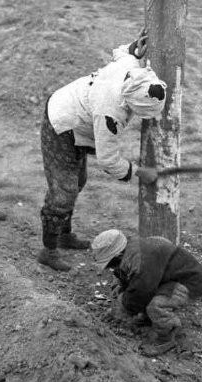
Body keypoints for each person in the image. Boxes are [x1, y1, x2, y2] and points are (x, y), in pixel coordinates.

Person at [38, 30, 167, 271]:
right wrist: (139, 172)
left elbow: (121, 54)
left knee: (78, 181)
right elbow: (108, 161)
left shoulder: (133, 71)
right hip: (62, 123)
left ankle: (65, 235)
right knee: (63, 191)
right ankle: (49, 250)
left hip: (79, 117)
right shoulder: (110, 113)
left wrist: (133, 48)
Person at [91, 229, 202, 357]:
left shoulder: (142, 260)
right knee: (143, 293)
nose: (109, 268)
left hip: (190, 281)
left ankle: (166, 339)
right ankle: (149, 319)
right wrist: (121, 284)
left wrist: (122, 307)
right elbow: (129, 276)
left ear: (118, 256)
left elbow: (140, 294)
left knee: (156, 306)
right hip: (166, 277)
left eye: (109, 264)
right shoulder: (130, 250)